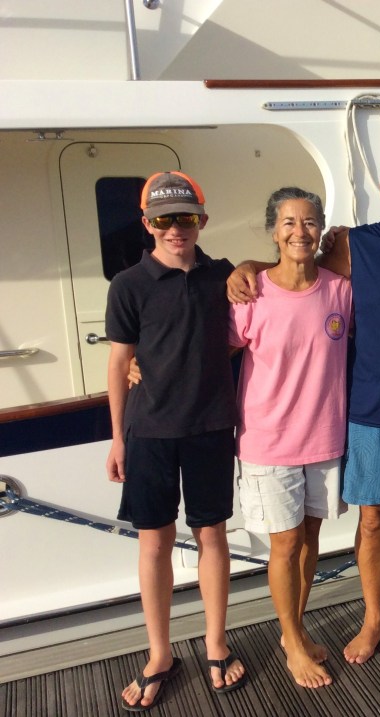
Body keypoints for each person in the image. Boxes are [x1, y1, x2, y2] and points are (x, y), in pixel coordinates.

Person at [227, 151, 380, 664]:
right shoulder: (355, 245)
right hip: (371, 410)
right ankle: (373, 618)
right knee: (374, 519)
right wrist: (247, 268)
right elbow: (290, 269)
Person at [105, 171, 246, 711]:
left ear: (202, 221)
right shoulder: (129, 285)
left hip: (211, 427)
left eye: (185, 218)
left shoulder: (224, 277)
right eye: (163, 220)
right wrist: (118, 439)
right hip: (149, 433)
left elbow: (260, 301)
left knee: (213, 535)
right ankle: (159, 653)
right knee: (154, 543)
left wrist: (252, 267)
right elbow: (119, 362)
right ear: (148, 225)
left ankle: (215, 644)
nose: (175, 229)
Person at [229, 187, 351, 688]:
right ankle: (294, 645)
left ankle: (292, 630)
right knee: (283, 545)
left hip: (323, 436)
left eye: (308, 222)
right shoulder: (251, 292)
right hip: (268, 442)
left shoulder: (340, 289)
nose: (299, 231)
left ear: (320, 229)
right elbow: (210, 349)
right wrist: (140, 366)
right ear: (273, 231)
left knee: (310, 539)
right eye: (288, 223)